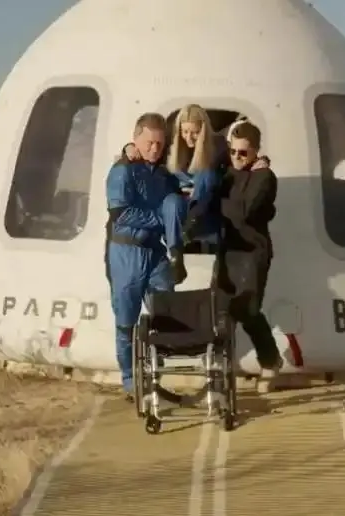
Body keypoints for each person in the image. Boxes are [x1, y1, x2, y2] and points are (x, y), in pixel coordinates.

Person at [105, 112, 186, 401]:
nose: (154, 148)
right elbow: (121, 213)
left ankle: (154, 376)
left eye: (160, 144)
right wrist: (158, 219)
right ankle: (130, 381)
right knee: (126, 321)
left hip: (154, 252)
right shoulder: (122, 171)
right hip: (126, 253)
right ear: (136, 139)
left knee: (164, 310)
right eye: (149, 142)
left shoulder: (163, 176)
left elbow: (180, 199)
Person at [118, 105, 272, 249]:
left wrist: (262, 160)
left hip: (204, 205)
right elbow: (150, 152)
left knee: (206, 174)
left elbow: (239, 157)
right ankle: (175, 245)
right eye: (185, 132)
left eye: (195, 132)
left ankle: (192, 222)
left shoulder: (218, 146)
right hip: (180, 202)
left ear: (203, 130)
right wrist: (128, 148)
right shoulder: (172, 147)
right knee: (169, 190)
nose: (189, 137)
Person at [216, 121, 284, 394]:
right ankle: (221, 369)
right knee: (221, 308)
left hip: (252, 252)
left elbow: (244, 211)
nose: (237, 157)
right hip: (229, 249)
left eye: (243, 153)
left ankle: (270, 360)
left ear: (255, 150)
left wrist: (214, 202)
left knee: (248, 309)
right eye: (233, 151)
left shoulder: (264, 177)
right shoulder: (229, 172)